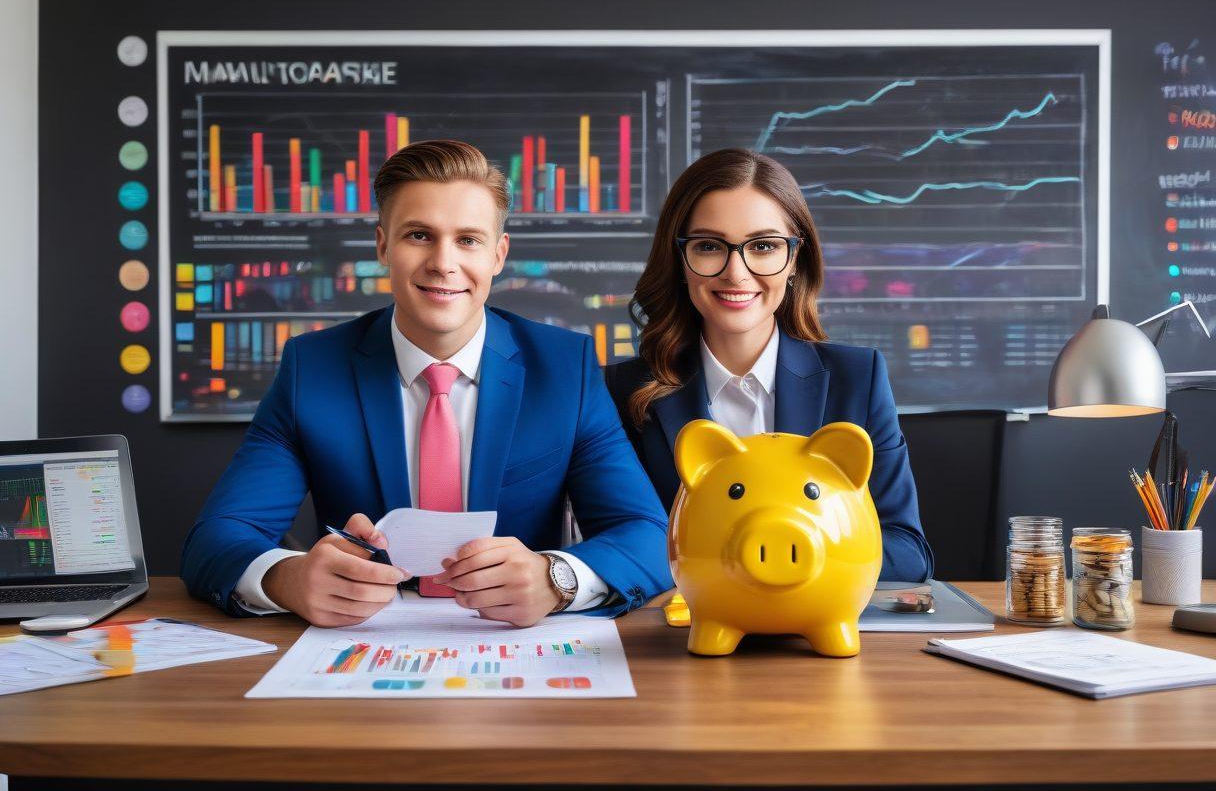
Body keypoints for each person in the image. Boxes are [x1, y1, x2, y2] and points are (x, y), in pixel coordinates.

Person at [181, 140, 672, 628]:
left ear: (498, 254)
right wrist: (287, 579)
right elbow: (218, 537)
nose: (443, 262)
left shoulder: (565, 369)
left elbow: (647, 534)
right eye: (419, 235)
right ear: (382, 246)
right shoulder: (313, 369)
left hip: (513, 643)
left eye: (468, 240)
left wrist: (555, 578)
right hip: (359, 645)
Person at [604, 148, 933, 581]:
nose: (736, 273)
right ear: (680, 261)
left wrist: (788, 553)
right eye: (708, 246)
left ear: (795, 258)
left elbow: (909, 553)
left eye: (763, 246)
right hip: (682, 638)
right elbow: (617, 545)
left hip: (816, 639)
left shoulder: (858, 379)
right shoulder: (621, 391)